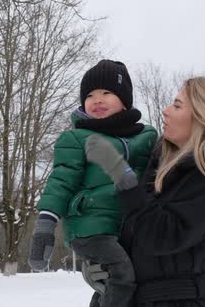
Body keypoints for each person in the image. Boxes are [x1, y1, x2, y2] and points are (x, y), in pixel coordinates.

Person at [84, 77, 205, 307]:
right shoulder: (161, 169)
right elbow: (135, 234)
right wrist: (104, 265)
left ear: (204, 116)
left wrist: (121, 175)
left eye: (177, 105)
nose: (166, 111)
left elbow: (160, 236)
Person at [28, 59, 158, 307]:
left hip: (128, 227)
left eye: (107, 92)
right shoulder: (76, 138)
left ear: (124, 99)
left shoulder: (147, 137)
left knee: (113, 285)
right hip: (90, 228)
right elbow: (61, 180)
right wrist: (45, 226)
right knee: (122, 275)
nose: (97, 99)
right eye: (90, 95)